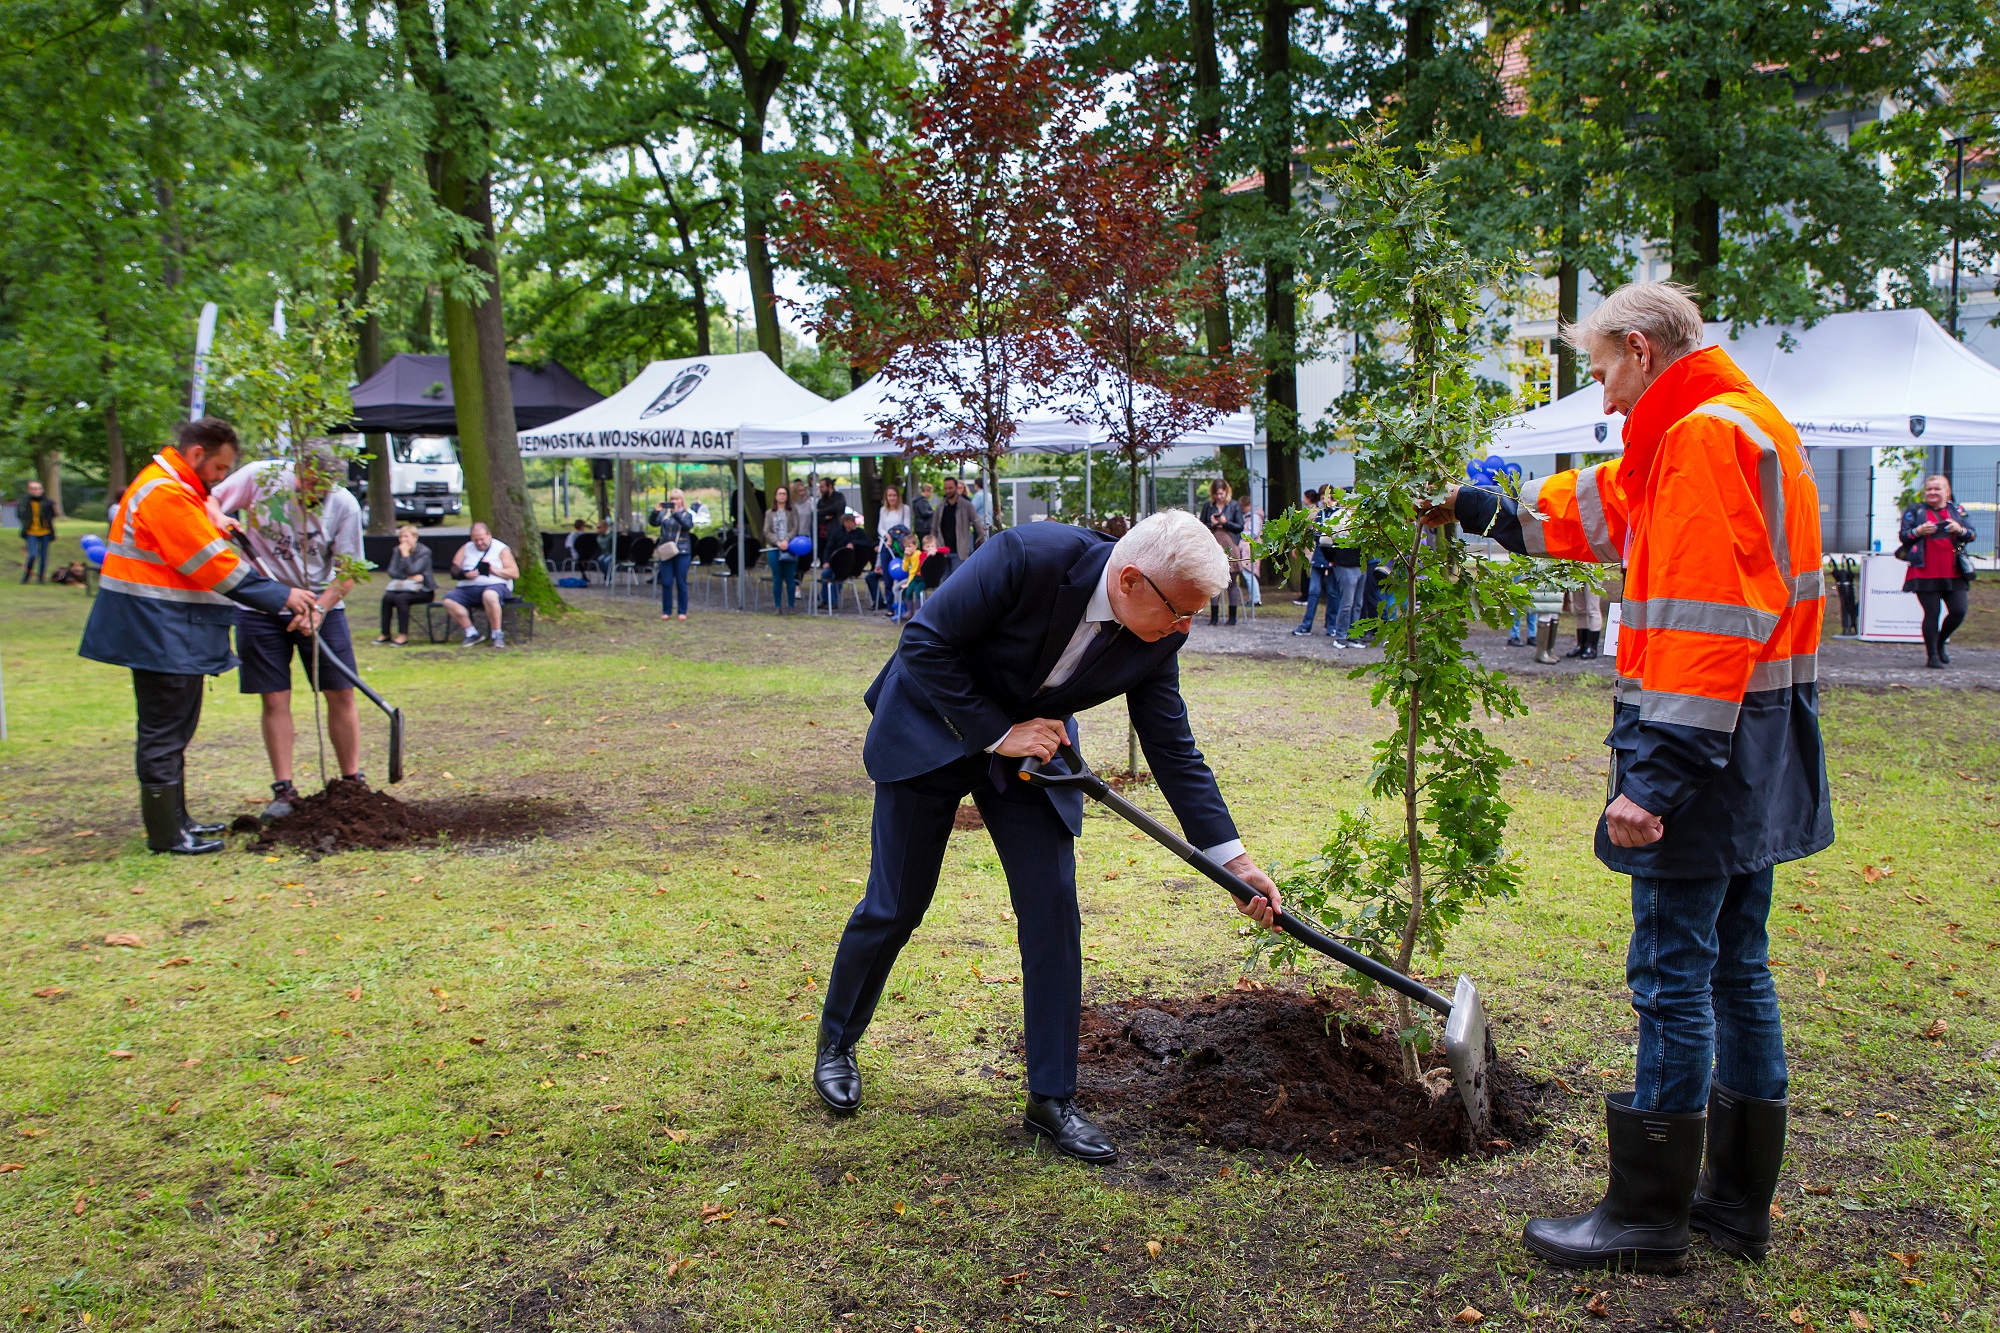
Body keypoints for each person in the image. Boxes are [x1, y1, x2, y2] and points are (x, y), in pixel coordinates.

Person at [1430, 281, 1829, 1271]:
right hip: (1763, 740)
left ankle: (1646, 1218)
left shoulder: (1698, 441)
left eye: (1603, 369)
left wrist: (1651, 781)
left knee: (1671, 974)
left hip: (1700, 751)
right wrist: (1488, 512)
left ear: (1641, 351)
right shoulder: (1738, 425)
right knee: (1738, 967)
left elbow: (1704, 624)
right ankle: (1731, 1206)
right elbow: (1609, 511)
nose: (1602, 397)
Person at [813, 509, 1283, 1163]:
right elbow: (923, 642)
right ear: (1131, 580)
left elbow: (1172, 747)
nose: (1185, 629)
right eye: (1181, 612)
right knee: (897, 903)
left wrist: (1235, 861)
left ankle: (1050, 1100)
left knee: (1052, 909)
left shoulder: (1159, 635)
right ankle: (837, 1042)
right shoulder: (1027, 556)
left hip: (1036, 752)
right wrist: (998, 733)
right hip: (932, 725)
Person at [78, 418, 316, 854]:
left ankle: (178, 821)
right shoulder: (165, 493)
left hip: (167, 628)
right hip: (156, 629)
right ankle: (167, 835)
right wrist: (282, 595)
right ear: (196, 456)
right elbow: (210, 564)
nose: (223, 479)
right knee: (164, 729)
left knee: (176, 726)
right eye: (221, 469)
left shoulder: (178, 491)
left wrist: (215, 519)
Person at [211, 437, 371, 819]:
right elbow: (211, 497)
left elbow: (348, 572)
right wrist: (217, 516)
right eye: (308, 486)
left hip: (321, 603)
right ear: (295, 471)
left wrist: (318, 608)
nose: (315, 495)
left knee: (340, 692)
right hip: (261, 602)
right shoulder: (261, 477)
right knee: (275, 697)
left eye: (323, 489)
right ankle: (284, 791)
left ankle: (352, 783)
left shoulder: (344, 504)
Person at [1898, 474, 1976, 668]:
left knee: (1958, 611)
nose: (1932, 492)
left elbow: (1971, 534)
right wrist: (1919, 531)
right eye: (1929, 489)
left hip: (1954, 570)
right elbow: (1904, 536)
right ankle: (1932, 655)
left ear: (1947, 492)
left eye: (1937, 489)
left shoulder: (1957, 511)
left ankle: (1940, 642)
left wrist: (1959, 530)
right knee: (1932, 613)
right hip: (1925, 570)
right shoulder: (1916, 511)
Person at [442, 521, 520, 648]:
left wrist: (494, 570)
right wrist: (465, 574)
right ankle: (471, 633)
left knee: (489, 595)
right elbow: (454, 569)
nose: (479, 543)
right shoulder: (466, 547)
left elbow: (514, 573)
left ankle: (497, 634)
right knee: (448, 600)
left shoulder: (501, 549)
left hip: (495, 586)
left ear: (489, 535)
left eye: (482, 539)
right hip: (467, 588)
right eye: (475, 540)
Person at [376, 525, 435, 645]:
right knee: (387, 598)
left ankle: (403, 635)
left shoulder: (424, 552)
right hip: (404, 587)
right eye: (401, 537)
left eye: (406, 537)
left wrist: (405, 555)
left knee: (400, 599)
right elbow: (392, 572)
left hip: (423, 590)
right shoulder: (397, 550)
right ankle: (385, 633)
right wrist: (409, 577)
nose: (403, 540)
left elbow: (413, 569)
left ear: (415, 537)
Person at [1198, 479, 1245, 626]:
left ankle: (1232, 616)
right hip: (1213, 545)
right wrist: (1211, 524)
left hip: (1230, 544)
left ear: (1226, 492)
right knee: (1213, 581)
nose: (1219, 497)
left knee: (1232, 581)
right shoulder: (1208, 506)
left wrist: (1225, 522)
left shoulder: (1234, 505)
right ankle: (1214, 616)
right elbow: (1200, 525)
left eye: (1221, 493)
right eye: (1216, 494)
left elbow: (1240, 527)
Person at [652, 488, 697, 621]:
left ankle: (682, 611)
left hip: (682, 551)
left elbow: (687, 526)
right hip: (667, 551)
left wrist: (676, 513)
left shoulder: (687, 514)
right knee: (666, 582)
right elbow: (653, 523)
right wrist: (656, 511)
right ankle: (667, 611)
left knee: (681, 581)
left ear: (682, 500)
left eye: (677, 499)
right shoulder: (664, 514)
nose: (674, 502)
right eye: (672, 499)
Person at [819, 511, 874, 610]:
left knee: (838, 575)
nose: (849, 523)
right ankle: (826, 600)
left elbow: (867, 543)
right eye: (847, 521)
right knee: (825, 574)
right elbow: (829, 548)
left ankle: (833, 602)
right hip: (836, 562)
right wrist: (826, 561)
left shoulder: (859, 533)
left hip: (851, 565)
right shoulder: (837, 533)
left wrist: (854, 543)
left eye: (851, 521)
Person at [762, 484, 805, 611]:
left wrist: (786, 540)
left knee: (790, 577)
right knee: (777, 578)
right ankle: (778, 605)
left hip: (789, 547)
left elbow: (795, 528)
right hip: (774, 548)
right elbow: (766, 531)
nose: (782, 496)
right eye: (779, 493)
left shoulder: (792, 511)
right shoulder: (769, 513)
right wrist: (777, 542)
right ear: (775, 496)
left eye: (784, 493)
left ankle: (791, 605)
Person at [935, 476, 986, 579]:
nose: (948, 491)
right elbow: (934, 528)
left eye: (950, 488)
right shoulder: (940, 507)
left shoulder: (966, 505)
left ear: (956, 488)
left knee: (956, 580)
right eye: (946, 488)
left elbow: (977, 524)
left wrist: (984, 543)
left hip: (959, 551)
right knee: (944, 582)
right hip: (943, 550)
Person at [871, 485, 912, 610]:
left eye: (894, 495)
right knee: (887, 577)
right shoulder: (883, 510)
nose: (892, 498)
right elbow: (880, 528)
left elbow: (906, 527)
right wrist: (887, 536)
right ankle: (890, 606)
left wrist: (893, 537)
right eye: (890, 495)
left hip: (899, 545)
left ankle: (903, 604)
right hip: (886, 545)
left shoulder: (904, 509)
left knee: (903, 573)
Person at [18, 479, 55, 584]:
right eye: (33, 489)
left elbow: (52, 516)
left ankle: (41, 579)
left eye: (38, 489)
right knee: (32, 554)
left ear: (42, 490)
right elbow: (20, 515)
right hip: (31, 532)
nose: (36, 491)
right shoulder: (24, 502)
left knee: (43, 556)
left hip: (45, 532)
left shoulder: (47, 502)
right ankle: (26, 577)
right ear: (29, 490)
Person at [816, 476, 847, 555]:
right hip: (824, 534)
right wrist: (825, 516)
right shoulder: (821, 501)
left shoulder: (839, 497)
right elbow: (817, 514)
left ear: (829, 486)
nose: (820, 489)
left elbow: (836, 508)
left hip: (837, 530)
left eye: (822, 487)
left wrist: (822, 512)